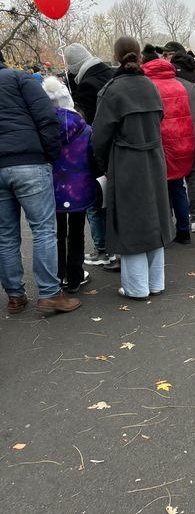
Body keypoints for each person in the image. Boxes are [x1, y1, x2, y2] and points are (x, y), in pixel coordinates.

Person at [92, 37, 173, 299]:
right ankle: (155, 282)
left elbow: (99, 137)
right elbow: (159, 119)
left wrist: (104, 165)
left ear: (116, 57)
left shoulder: (111, 90)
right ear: (138, 55)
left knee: (131, 222)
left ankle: (137, 287)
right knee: (155, 217)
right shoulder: (150, 86)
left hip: (127, 160)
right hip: (153, 158)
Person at [0, 51, 80, 313]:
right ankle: (49, 292)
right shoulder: (18, 78)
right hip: (29, 162)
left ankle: (15, 295)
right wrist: (49, 155)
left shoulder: (17, 79)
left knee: (6, 235)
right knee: (44, 229)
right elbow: (46, 116)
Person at [63, 42, 116, 268]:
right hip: (117, 147)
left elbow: (86, 120)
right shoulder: (108, 73)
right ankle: (113, 247)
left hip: (96, 149)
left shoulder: (87, 84)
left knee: (95, 203)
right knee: (110, 201)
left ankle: (102, 247)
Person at [42, 77, 97, 292]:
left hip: (52, 186)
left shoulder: (42, 129)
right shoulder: (85, 129)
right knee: (76, 231)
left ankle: (58, 274)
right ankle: (74, 275)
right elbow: (93, 156)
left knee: (56, 232)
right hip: (79, 186)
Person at [143, 55, 195, 244]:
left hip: (162, 143)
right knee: (178, 187)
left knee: (159, 190)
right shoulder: (178, 85)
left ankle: (164, 233)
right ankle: (184, 231)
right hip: (181, 142)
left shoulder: (149, 87)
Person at [166, 45, 195, 232]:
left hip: (173, 134)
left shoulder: (171, 79)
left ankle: (169, 219)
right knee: (193, 176)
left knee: (171, 178)